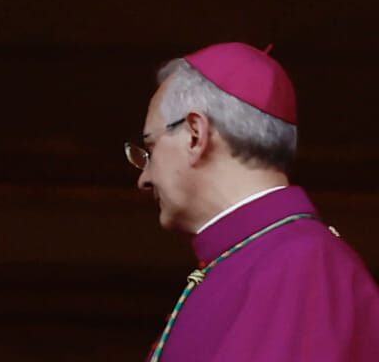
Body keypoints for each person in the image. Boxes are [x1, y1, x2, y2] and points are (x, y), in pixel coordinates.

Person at [126, 42, 379, 361]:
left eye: (150, 148)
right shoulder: (256, 257)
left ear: (195, 135)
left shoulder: (301, 266)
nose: (144, 179)